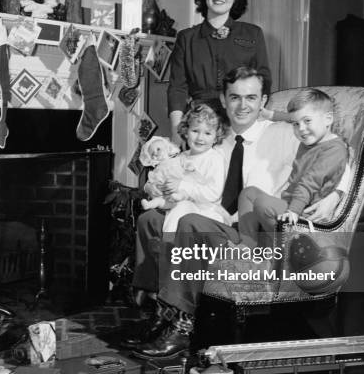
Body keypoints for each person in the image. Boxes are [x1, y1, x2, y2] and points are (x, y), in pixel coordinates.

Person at [129, 66, 347, 358]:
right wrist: (162, 189)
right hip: (222, 220)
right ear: (223, 99)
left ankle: (182, 328)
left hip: (257, 233)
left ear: (263, 100)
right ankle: (159, 316)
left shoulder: (286, 133)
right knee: (151, 220)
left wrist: (338, 193)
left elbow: (339, 146)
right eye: (235, 97)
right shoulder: (215, 137)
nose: (243, 106)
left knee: (192, 223)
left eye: (251, 97)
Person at [167, 0, 271, 146]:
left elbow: (263, 80)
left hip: (240, 121)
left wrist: (252, 118)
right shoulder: (186, 38)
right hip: (200, 126)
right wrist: (177, 132)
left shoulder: (253, 34)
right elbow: (177, 88)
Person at [237, 88, 348, 248]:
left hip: (303, 213)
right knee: (248, 193)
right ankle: (246, 248)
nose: (301, 128)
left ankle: (287, 247)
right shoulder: (311, 137)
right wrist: (271, 115)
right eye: (296, 124)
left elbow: (310, 182)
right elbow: (292, 117)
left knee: (262, 203)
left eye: (307, 121)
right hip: (288, 204)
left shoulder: (333, 149)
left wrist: (294, 211)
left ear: (328, 119)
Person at [140, 105, 231, 234]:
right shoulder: (181, 157)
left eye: (207, 133)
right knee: (150, 217)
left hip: (207, 210)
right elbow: (163, 173)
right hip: (178, 203)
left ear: (216, 137)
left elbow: (213, 193)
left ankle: (169, 243)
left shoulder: (215, 159)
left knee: (181, 209)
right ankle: (165, 243)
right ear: (186, 132)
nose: (200, 138)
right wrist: (152, 187)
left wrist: (181, 185)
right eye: (195, 131)